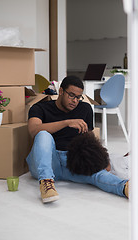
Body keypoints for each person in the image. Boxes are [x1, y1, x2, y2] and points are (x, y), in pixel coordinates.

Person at [26, 75, 129, 203]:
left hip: (72, 161)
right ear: (61, 91)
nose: (75, 100)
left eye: (78, 97)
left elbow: (90, 138)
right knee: (43, 134)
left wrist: (103, 158)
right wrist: (66, 122)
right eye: (71, 95)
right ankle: (46, 183)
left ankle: (126, 188)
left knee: (98, 174)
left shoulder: (84, 108)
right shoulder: (40, 108)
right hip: (47, 161)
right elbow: (33, 130)